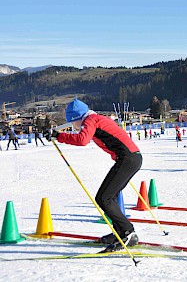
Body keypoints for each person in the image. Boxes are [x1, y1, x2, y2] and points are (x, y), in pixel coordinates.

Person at [44, 98, 141, 252]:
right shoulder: (96, 118)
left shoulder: (91, 120)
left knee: (103, 198)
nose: (74, 127)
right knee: (111, 197)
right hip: (130, 159)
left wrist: (59, 136)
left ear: (76, 118)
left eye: (72, 123)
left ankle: (128, 232)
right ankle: (119, 232)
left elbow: (82, 140)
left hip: (127, 159)